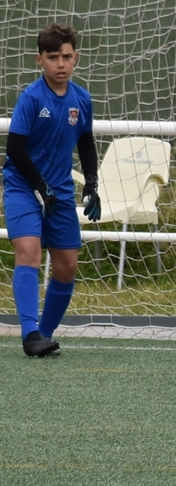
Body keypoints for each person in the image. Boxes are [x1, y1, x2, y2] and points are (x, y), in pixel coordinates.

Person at [3, 23, 101, 358]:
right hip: (23, 186)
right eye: (53, 57)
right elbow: (15, 149)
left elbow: (86, 145)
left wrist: (91, 184)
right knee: (29, 250)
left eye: (67, 57)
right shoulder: (32, 98)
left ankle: (44, 336)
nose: (61, 64)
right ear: (39, 60)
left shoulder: (81, 99)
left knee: (67, 265)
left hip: (58, 191)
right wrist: (39, 187)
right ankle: (30, 334)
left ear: (76, 58)